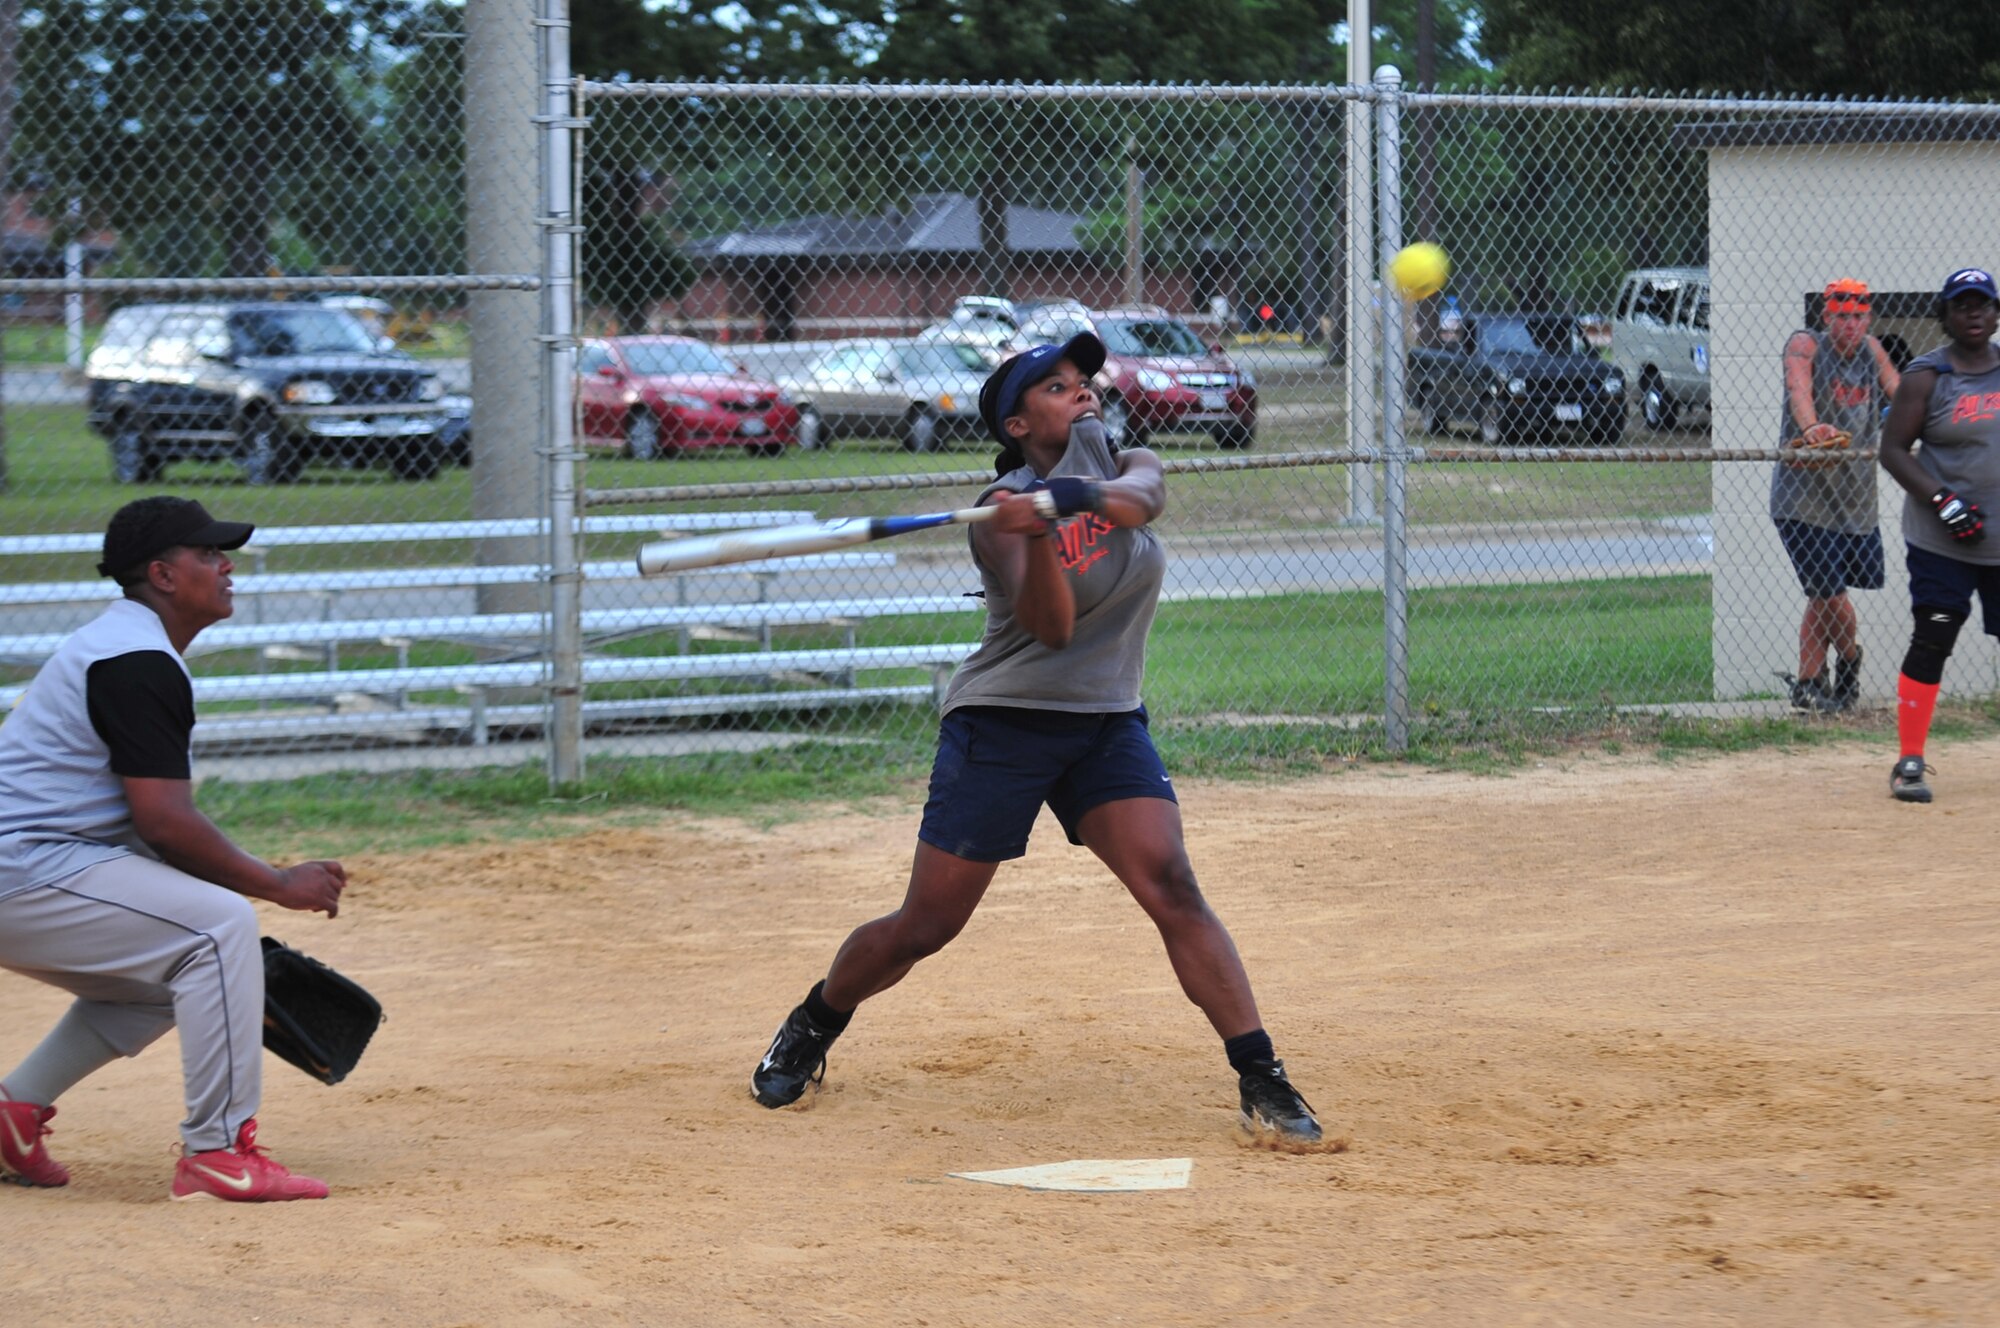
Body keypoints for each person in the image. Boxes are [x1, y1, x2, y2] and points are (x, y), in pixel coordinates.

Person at [747, 333, 1324, 1146]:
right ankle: (815, 1019)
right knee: (928, 924)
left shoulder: (1131, 462)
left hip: (1106, 721)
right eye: (1055, 387)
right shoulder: (997, 517)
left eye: (1081, 379)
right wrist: (1029, 535)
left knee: (1173, 886)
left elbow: (1141, 501)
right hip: (1006, 720)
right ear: (1017, 425)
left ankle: (1261, 1075)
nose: (1081, 390)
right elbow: (1051, 629)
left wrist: (1062, 503)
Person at [0, 497, 347, 1200]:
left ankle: (14, 1109)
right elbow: (164, 823)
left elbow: (149, 824)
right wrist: (279, 883)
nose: (227, 567)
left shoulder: (131, 649)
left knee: (182, 972)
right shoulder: (135, 661)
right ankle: (217, 1152)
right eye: (209, 554)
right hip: (25, 869)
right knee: (221, 930)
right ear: (161, 574)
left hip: (39, 866)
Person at [1878, 267, 2000, 803]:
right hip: (1942, 540)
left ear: (1997, 313)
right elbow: (1893, 451)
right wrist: (1944, 502)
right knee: (1934, 636)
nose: (1974, 313)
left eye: (1983, 304)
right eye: (1962, 305)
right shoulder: (1927, 376)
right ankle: (1909, 761)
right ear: (1945, 315)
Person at [1771, 279, 1901, 713]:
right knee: (1832, 594)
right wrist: (1810, 429)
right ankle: (1847, 665)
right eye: (1841, 316)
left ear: (1868, 318)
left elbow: (1899, 391)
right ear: (1826, 317)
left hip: (1854, 499)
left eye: (1858, 316)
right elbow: (1799, 390)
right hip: (1803, 499)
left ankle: (1811, 685)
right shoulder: (1806, 345)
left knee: (1821, 595)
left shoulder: (1872, 350)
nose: (1850, 324)